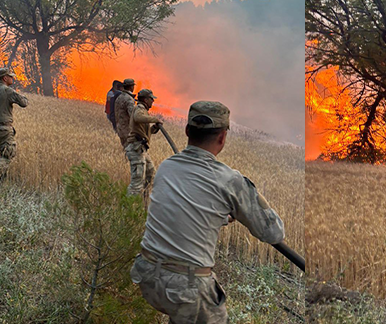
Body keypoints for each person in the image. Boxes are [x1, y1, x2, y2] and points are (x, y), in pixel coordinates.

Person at [131, 101, 285, 323]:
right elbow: (273, 233)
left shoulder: (166, 166)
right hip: (185, 289)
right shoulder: (230, 180)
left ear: (186, 131)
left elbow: (185, 210)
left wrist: (221, 215)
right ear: (222, 138)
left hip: (146, 276)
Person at [125, 88, 162, 198]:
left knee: (151, 173)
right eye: (151, 99)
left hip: (142, 150)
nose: (153, 101)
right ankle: (127, 207)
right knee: (137, 183)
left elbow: (145, 132)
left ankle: (145, 199)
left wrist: (154, 128)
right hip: (136, 150)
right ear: (146, 100)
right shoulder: (139, 109)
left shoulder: (143, 111)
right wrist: (154, 119)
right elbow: (137, 117)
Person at [114, 78, 136, 146]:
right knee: (131, 151)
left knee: (125, 149)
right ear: (131, 87)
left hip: (120, 128)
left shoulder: (119, 97)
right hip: (127, 130)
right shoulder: (129, 99)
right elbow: (133, 115)